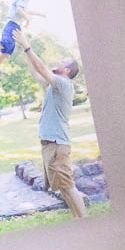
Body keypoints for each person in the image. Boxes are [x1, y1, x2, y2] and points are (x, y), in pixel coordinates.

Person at [12, 29, 87, 219]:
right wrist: (26, 54)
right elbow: (38, 73)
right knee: (62, 188)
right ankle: (77, 218)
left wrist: (27, 46)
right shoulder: (55, 85)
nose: (57, 63)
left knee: (68, 186)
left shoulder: (63, 84)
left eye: (61, 62)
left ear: (67, 70)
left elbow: (43, 69)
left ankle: (85, 220)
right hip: (50, 144)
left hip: (57, 144)